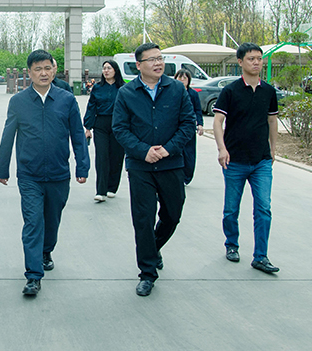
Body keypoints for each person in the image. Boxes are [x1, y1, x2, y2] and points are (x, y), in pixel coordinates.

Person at [0, 50, 90, 297]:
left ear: (54, 70)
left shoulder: (66, 100)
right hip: (29, 175)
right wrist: (2, 167)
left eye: (47, 68)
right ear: (29, 73)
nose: (43, 73)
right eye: (38, 69)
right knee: (33, 222)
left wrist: (82, 166)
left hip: (59, 174)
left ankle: (46, 250)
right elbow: (8, 136)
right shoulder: (18, 102)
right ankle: (33, 276)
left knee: (52, 219)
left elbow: (77, 135)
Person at [112, 42, 196, 297]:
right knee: (143, 219)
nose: (158, 63)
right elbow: (120, 129)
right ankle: (147, 273)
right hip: (141, 167)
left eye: (160, 58)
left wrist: (168, 149)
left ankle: (153, 247)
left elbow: (188, 123)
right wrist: (143, 151)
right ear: (138, 65)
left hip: (171, 163)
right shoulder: (126, 93)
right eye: (152, 59)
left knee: (173, 214)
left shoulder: (176, 89)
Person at [212, 43, 280, 274]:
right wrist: (222, 149)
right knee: (231, 209)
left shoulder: (268, 91)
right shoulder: (230, 91)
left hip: (261, 161)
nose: (256, 62)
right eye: (251, 58)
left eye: (259, 58)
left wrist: (273, 149)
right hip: (235, 161)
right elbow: (218, 122)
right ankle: (232, 244)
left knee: (264, 209)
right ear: (240, 62)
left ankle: (261, 256)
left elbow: (272, 120)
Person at [83, 60, 126, 202]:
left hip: (118, 125)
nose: (106, 71)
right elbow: (91, 106)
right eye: (104, 68)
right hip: (101, 124)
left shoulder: (123, 88)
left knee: (116, 156)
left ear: (115, 70)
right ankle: (100, 191)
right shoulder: (97, 88)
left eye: (109, 68)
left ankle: (112, 187)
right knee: (102, 157)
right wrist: (88, 127)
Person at [173, 69, 204, 185]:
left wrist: (200, 124)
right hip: (175, 127)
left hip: (188, 128)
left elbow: (198, 110)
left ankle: (187, 177)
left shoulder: (193, 94)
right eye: (179, 78)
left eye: (184, 78)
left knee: (189, 153)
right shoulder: (171, 93)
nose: (182, 80)